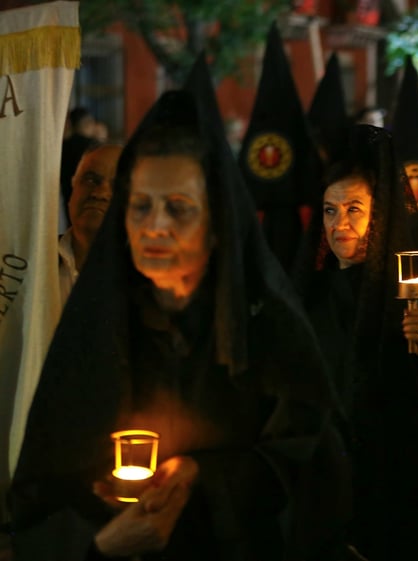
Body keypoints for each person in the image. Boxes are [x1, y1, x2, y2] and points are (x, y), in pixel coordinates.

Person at [9, 70, 350, 560]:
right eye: (140, 206)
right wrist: (102, 543)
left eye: (178, 208)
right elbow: (42, 493)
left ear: (217, 225)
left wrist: (199, 477)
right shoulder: (102, 327)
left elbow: (313, 470)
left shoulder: (267, 328)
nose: (155, 227)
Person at [293, 124, 418, 561]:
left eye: (354, 209)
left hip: (404, 470)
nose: (339, 224)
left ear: (380, 214)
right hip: (332, 476)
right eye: (329, 210)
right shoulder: (312, 291)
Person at [59, 142, 122, 306]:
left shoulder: (149, 281)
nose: (100, 193)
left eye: (117, 187)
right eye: (91, 180)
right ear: (72, 189)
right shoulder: (28, 262)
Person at [60, 107, 98, 214]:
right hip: (90, 200)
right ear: (88, 123)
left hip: (68, 199)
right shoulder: (94, 146)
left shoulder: (63, 147)